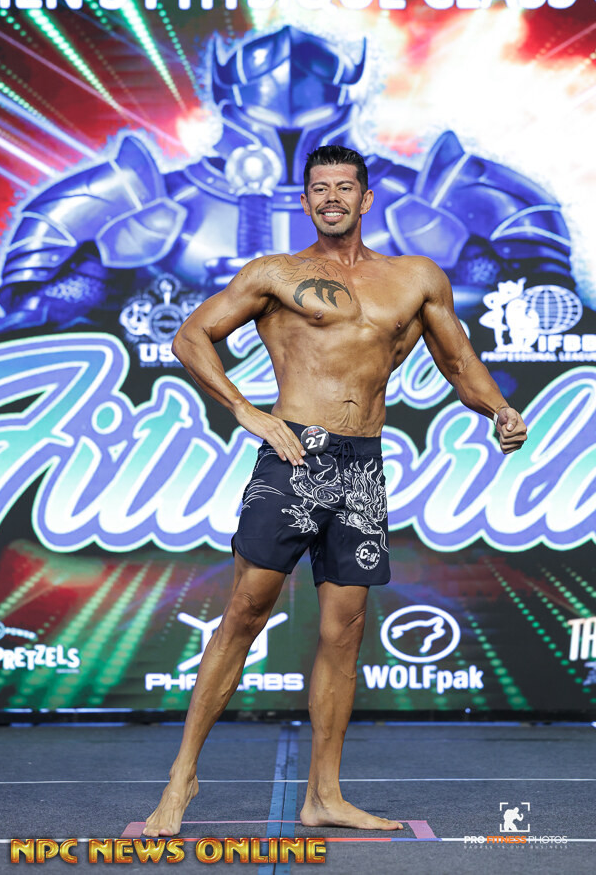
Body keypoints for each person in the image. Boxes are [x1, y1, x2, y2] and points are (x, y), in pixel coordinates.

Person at [143, 144, 528, 837]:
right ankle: (181, 779)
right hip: (295, 455)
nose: (331, 197)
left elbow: (458, 362)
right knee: (245, 613)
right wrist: (246, 411)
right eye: (319, 188)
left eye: (344, 187)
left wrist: (498, 408)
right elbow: (191, 337)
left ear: (365, 198)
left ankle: (324, 794)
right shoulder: (276, 274)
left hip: (362, 467)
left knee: (343, 631)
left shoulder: (415, 278)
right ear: (304, 201)